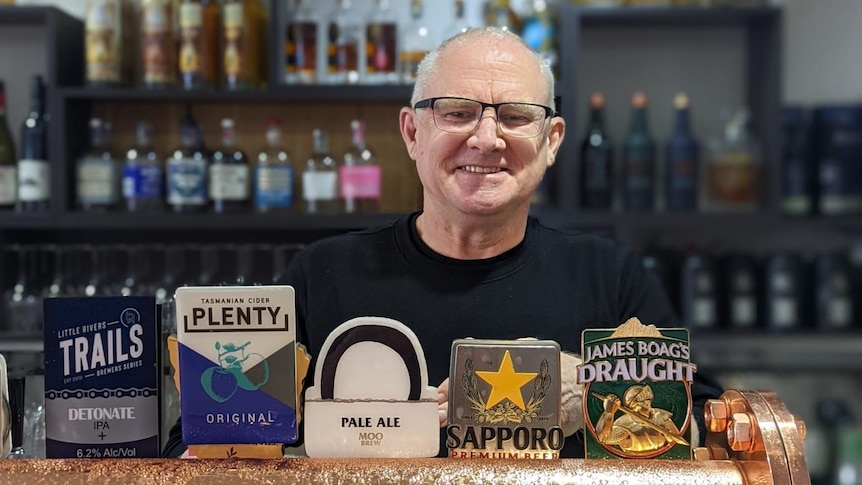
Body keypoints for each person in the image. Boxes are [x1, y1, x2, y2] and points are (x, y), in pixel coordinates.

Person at [163, 26, 721, 459]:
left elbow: (698, 430)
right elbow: (202, 444)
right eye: (456, 112)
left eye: (516, 117)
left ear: (551, 142)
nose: (486, 138)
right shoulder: (323, 272)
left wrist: (582, 385)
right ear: (412, 132)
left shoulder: (611, 275)